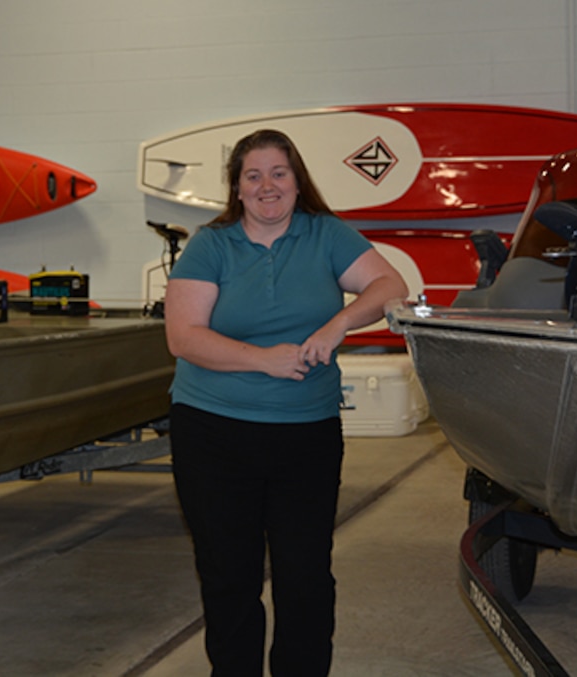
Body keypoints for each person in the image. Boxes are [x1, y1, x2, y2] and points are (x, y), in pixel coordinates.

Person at [163, 128, 409, 677]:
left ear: (298, 183)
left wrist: (338, 324)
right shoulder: (212, 244)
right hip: (214, 434)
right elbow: (184, 337)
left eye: (279, 173)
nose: (266, 185)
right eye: (253, 175)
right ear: (237, 187)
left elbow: (391, 287)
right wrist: (264, 359)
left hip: (306, 434)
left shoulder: (326, 235)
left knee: (305, 576)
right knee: (230, 576)